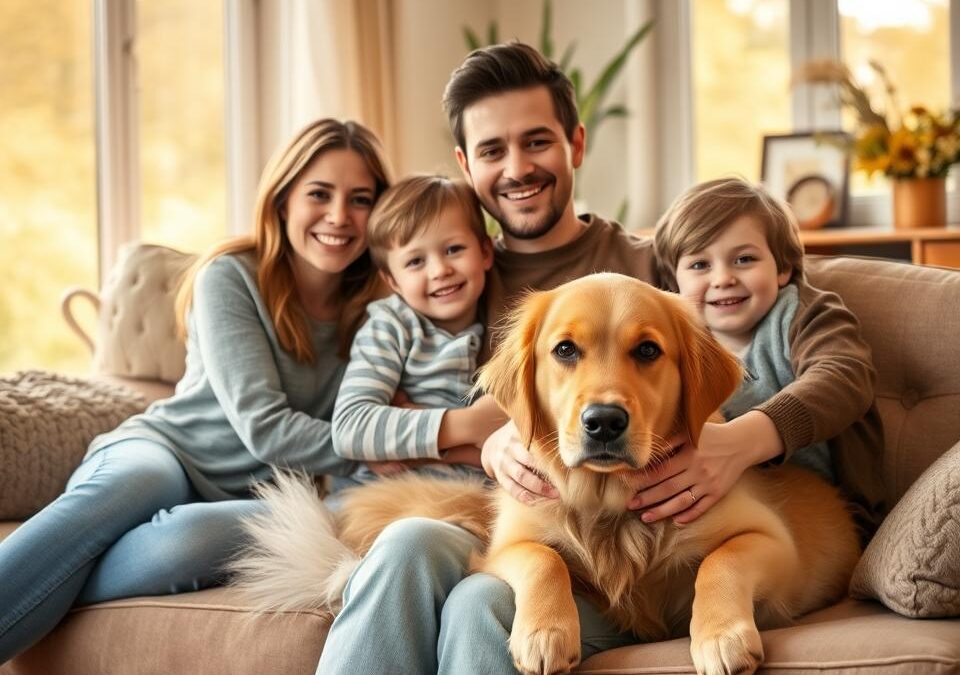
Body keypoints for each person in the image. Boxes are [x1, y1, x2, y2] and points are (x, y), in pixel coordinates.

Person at [316, 42, 659, 675]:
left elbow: (813, 337)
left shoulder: (646, 269)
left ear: (576, 144)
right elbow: (364, 416)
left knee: (481, 603)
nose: (517, 168)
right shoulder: (454, 275)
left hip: (608, 547)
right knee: (408, 538)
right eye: (492, 150)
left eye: (537, 142)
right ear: (465, 164)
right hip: (493, 519)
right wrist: (474, 434)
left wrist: (748, 437)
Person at [0, 118, 391, 664]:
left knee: (184, 543)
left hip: (256, 495)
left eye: (360, 199)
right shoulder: (230, 276)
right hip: (168, 451)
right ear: (283, 200)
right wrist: (384, 446)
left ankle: (52, 574)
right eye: (319, 194)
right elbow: (265, 428)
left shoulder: (381, 311)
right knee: (137, 482)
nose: (339, 216)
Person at [648, 176, 884, 533]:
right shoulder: (671, 342)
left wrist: (745, 438)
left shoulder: (804, 315)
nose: (723, 278)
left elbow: (843, 375)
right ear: (673, 283)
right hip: (717, 515)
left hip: (824, 521)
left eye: (744, 259)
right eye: (699, 265)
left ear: (783, 268)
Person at [330, 174, 506, 486]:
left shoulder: (501, 322)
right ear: (393, 281)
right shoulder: (389, 327)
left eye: (453, 249)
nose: (440, 270)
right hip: (381, 497)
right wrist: (470, 425)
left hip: (468, 499)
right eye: (415, 262)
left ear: (485, 253)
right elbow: (349, 427)